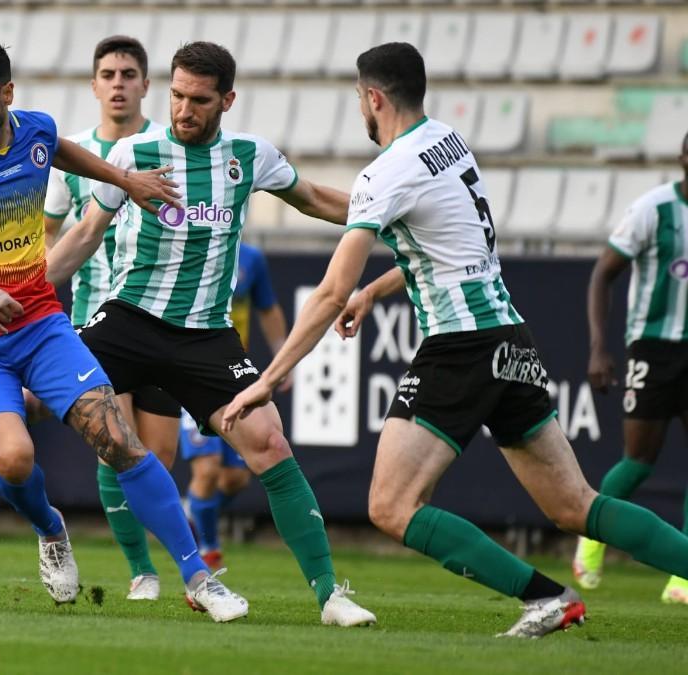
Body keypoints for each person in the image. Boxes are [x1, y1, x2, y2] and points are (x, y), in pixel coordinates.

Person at [222, 42, 688, 638]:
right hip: (510, 340)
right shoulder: (448, 142)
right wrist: (379, 291)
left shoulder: (386, 170)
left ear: (373, 98)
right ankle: (565, 595)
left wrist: (267, 378)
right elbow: (444, 246)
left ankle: (545, 598)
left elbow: (330, 290)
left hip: (461, 348)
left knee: (391, 506)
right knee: (576, 504)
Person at [0, 39, 247, 621]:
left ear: (6, 94)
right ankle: (51, 531)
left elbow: (62, 151)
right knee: (15, 459)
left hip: (40, 323)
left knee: (120, 442)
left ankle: (200, 577)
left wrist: (124, 180)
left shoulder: (35, 132)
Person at [47, 41, 375, 627]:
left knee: (270, 443)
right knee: (33, 392)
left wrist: (387, 211)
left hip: (205, 337)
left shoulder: (248, 156)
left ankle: (330, 595)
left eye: (198, 100)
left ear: (226, 99)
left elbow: (317, 199)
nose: (183, 110)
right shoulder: (133, 151)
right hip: (129, 319)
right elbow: (82, 236)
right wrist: (24, 296)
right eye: (175, 96)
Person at [43, 35, 181, 602]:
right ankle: (143, 572)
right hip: (98, 321)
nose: (119, 83)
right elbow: (49, 239)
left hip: (163, 316)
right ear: (95, 85)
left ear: (147, 85)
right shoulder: (71, 156)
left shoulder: (168, 148)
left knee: (160, 456)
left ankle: (167, 561)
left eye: (129, 73)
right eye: (109, 73)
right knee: (113, 439)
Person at [573, 129, 688, 604]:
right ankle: (592, 536)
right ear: (683, 156)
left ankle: (682, 577)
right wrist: (600, 346)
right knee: (638, 459)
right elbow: (603, 274)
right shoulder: (653, 209)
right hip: (653, 348)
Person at [180, 241, 288, 570]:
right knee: (207, 469)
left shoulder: (252, 258)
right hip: (190, 370)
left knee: (236, 478)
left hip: (232, 373)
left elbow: (268, 308)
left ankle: (192, 511)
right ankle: (208, 551)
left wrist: (283, 356)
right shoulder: (189, 244)